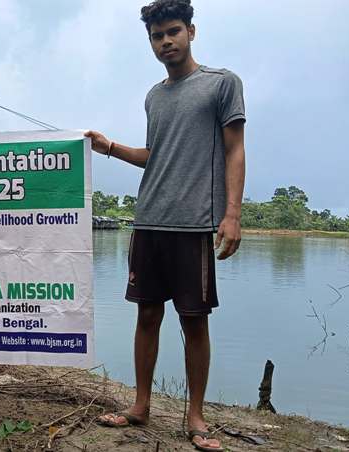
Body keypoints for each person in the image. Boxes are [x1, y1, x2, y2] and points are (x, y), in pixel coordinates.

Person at [86, 1, 245, 451]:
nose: (165, 42)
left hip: (194, 226)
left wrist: (231, 215)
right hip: (149, 222)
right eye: (157, 36)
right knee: (147, 315)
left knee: (194, 321)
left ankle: (195, 417)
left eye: (173, 32)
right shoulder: (153, 96)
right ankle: (140, 406)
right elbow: (156, 156)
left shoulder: (221, 84)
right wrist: (111, 147)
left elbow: (235, 150)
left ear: (191, 32)